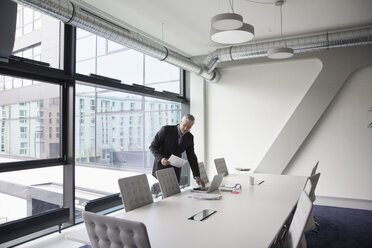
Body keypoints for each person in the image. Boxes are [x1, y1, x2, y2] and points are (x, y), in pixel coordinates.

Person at [149, 114, 205, 187]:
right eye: (184, 125)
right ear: (181, 122)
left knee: (175, 194)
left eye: (189, 127)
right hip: (162, 167)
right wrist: (161, 158)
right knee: (167, 194)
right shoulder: (166, 130)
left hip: (176, 169)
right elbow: (153, 146)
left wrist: (196, 176)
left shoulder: (189, 137)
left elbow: (192, 157)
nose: (185, 128)